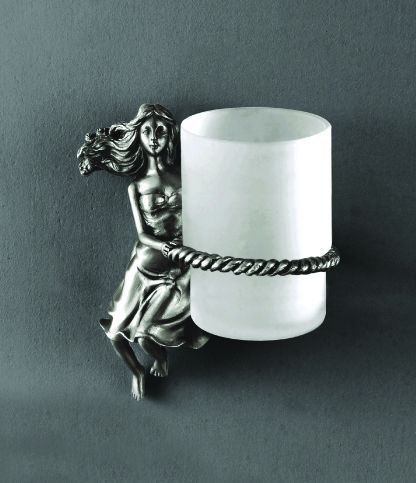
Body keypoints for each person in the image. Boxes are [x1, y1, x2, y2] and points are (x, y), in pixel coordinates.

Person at [77, 104, 209, 400]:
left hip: (180, 264)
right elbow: (142, 234)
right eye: (147, 131)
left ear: (170, 135)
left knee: (146, 333)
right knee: (116, 332)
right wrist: (163, 245)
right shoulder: (136, 187)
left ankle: (160, 357)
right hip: (145, 262)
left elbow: (201, 217)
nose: (153, 138)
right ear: (138, 136)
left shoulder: (186, 177)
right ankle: (136, 371)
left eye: (160, 131)